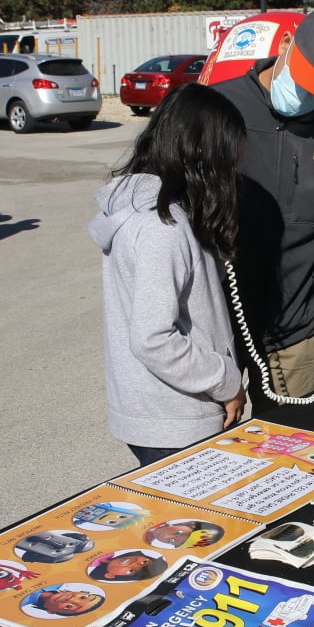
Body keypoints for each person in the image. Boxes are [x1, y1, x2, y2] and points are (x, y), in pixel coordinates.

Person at [214, 8, 314, 400]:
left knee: (290, 452)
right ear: (285, 45)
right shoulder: (217, 107)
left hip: (298, 332)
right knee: (213, 453)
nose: (305, 96)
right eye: (304, 79)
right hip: (217, 331)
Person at [89, 83, 247, 467]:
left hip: (156, 411)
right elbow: (153, 338)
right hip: (177, 418)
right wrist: (225, 381)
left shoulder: (146, 209)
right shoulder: (165, 228)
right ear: (203, 157)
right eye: (229, 162)